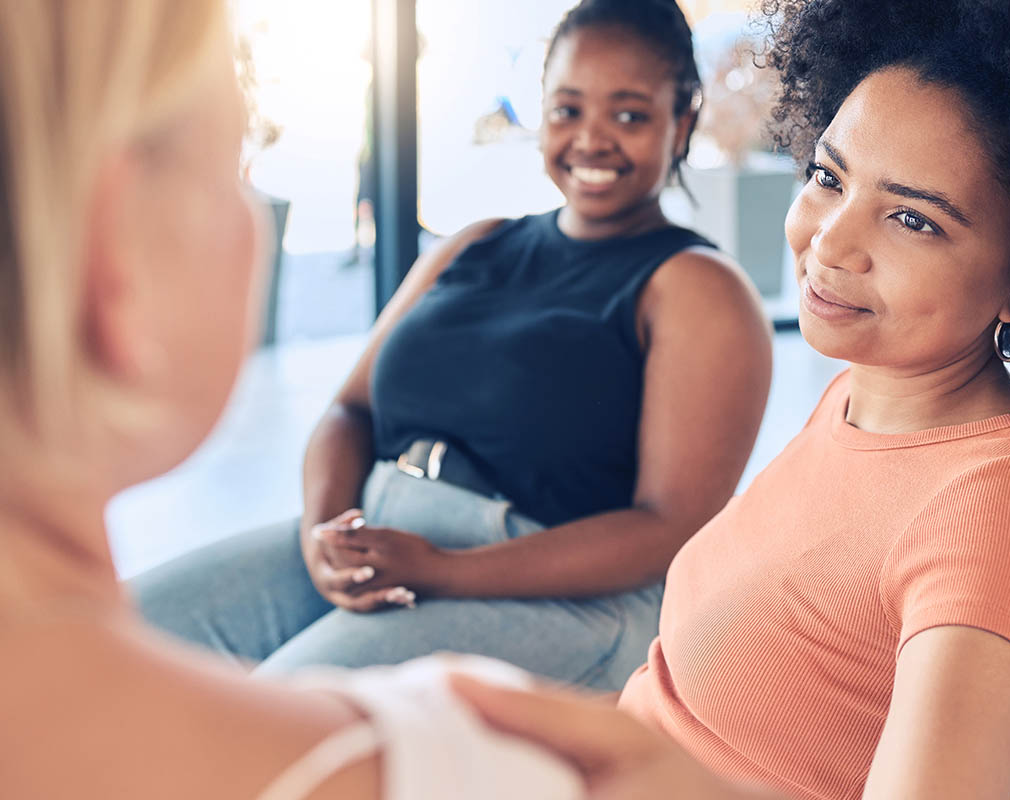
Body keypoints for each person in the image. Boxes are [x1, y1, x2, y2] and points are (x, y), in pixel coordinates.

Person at [446, 0, 1010, 798]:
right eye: (827, 177)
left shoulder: (1003, 505)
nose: (831, 241)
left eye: (912, 219)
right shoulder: (858, 397)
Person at [131, 0, 772, 690]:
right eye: (567, 109)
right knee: (107, 633)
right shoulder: (478, 241)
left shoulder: (698, 288)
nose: (591, 139)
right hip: (385, 535)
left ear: (681, 124)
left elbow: (667, 527)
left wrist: (443, 570)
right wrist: (324, 536)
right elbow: (349, 410)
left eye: (629, 114)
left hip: (554, 591)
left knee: (268, 718)